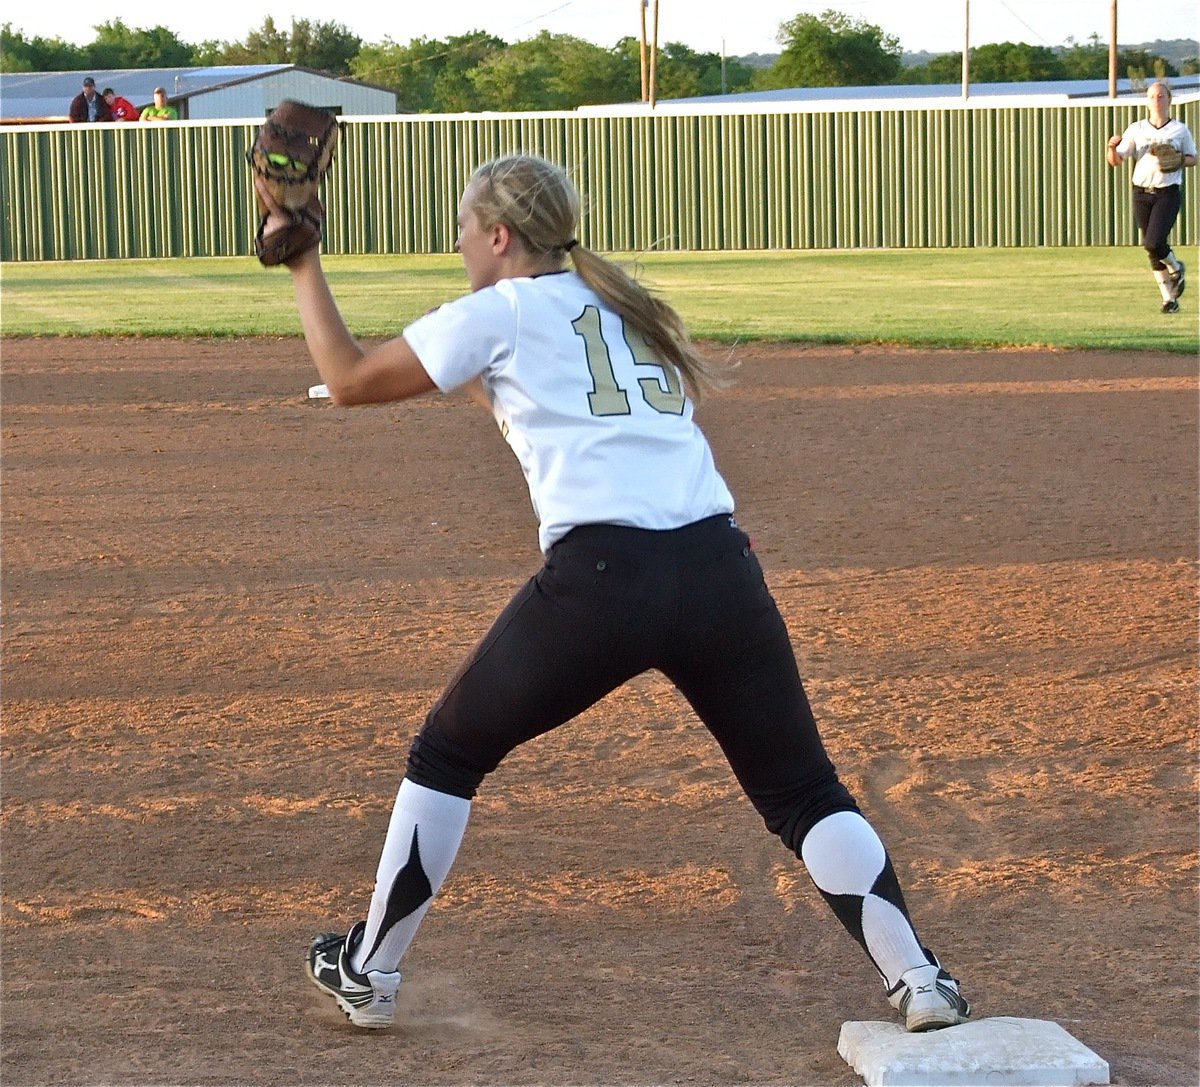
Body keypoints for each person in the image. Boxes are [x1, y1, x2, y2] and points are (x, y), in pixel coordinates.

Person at [254, 153, 972, 1036]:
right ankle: (920, 978)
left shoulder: (502, 308)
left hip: (601, 583)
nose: (457, 242)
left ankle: (370, 969)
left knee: (448, 753)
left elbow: (352, 378)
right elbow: (541, 400)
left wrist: (300, 262)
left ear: (500, 236)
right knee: (801, 791)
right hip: (720, 571)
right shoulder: (625, 304)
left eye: (465, 227)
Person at [1106, 80, 1197, 314]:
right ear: (1147, 101)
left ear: (1169, 100)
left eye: (1161, 96)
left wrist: (1178, 160)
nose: (1156, 100)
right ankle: (1169, 300)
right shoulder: (1137, 129)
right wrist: (1111, 148)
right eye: (1152, 96)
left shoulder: (1179, 129)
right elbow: (1117, 160)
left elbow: (1193, 158)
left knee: (1153, 242)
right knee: (1152, 249)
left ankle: (1176, 268)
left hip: (1167, 192)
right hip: (1141, 192)